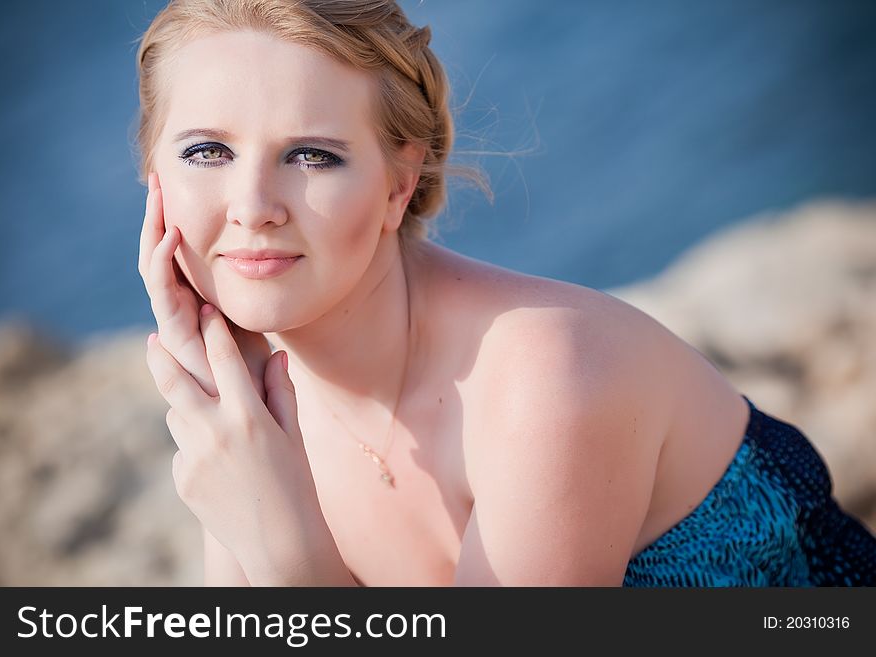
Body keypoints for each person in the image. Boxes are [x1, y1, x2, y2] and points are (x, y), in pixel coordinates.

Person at [134, 0, 876, 586]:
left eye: (312, 155)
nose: (253, 204)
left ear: (397, 185)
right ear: (153, 177)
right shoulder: (245, 409)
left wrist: (291, 564)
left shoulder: (543, 375)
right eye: (207, 151)